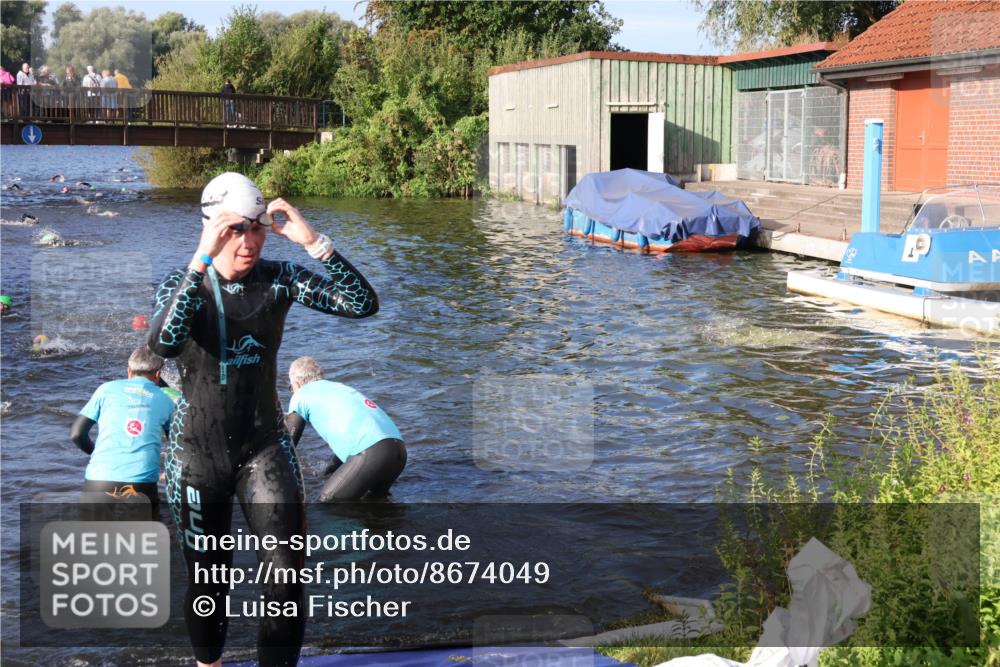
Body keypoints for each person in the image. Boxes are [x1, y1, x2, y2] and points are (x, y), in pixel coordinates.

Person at [147, 172, 378, 667]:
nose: (249, 241)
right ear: (211, 229)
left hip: (264, 449)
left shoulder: (278, 278)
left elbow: (363, 305)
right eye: (235, 229)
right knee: (209, 579)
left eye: (256, 228)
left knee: (286, 579)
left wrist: (315, 243)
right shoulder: (181, 283)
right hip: (195, 457)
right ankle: (209, 664)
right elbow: (162, 343)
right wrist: (202, 258)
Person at [70, 346, 175, 519]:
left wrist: (95, 454)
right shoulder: (167, 400)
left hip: (99, 479)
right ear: (158, 374)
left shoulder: (106, 389)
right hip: (141, 483)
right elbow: (177, 444)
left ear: (129, 370)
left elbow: (76, 434)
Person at [286, 357, 406, 502]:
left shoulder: (301, 395)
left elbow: (287, 444)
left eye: (291, 387)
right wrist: (329, 470)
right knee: (374, 504)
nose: (292, 391)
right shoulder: (340, 388)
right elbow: (354, 439)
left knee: (328, 502)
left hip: (372, 453)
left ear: (297, 384)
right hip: (398, 450)